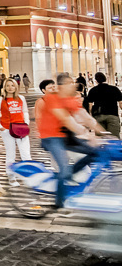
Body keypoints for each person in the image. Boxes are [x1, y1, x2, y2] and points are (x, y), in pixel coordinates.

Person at [40, 73, 110, 208]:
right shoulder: (52, 99)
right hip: (51, 137)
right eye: (69, 83)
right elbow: (66, 120)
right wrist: (88, 136)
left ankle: (70, 174)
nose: (73, 85)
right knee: (64, 170)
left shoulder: (70, 99)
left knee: (94, 153)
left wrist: (105, 134)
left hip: (66, 136)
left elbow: (86, 117)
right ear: (61, 86)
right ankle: (59, 202)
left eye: (73, 82)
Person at [0, 77, 31, 185]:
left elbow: (25, 111)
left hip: (21, 128)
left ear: (16, 86)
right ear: (4, 87)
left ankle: (29, 175)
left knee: (25, 153)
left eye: (12, 85)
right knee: (11, 153)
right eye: (8, 85)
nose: (10, 88)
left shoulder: (21, 98)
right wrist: (0, 126)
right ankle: (11, 177)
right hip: (7, 129)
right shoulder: (0, 100)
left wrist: (27, 122)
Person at [85, 71, 122, 137]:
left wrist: (91, 116)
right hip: (112, 115)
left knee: (101, 140)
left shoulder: (93, 90)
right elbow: (121, 103)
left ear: (96, 80)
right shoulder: (114, 89)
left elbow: (90, 106)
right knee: (114, 138)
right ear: (106, 79)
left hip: (98, 116)